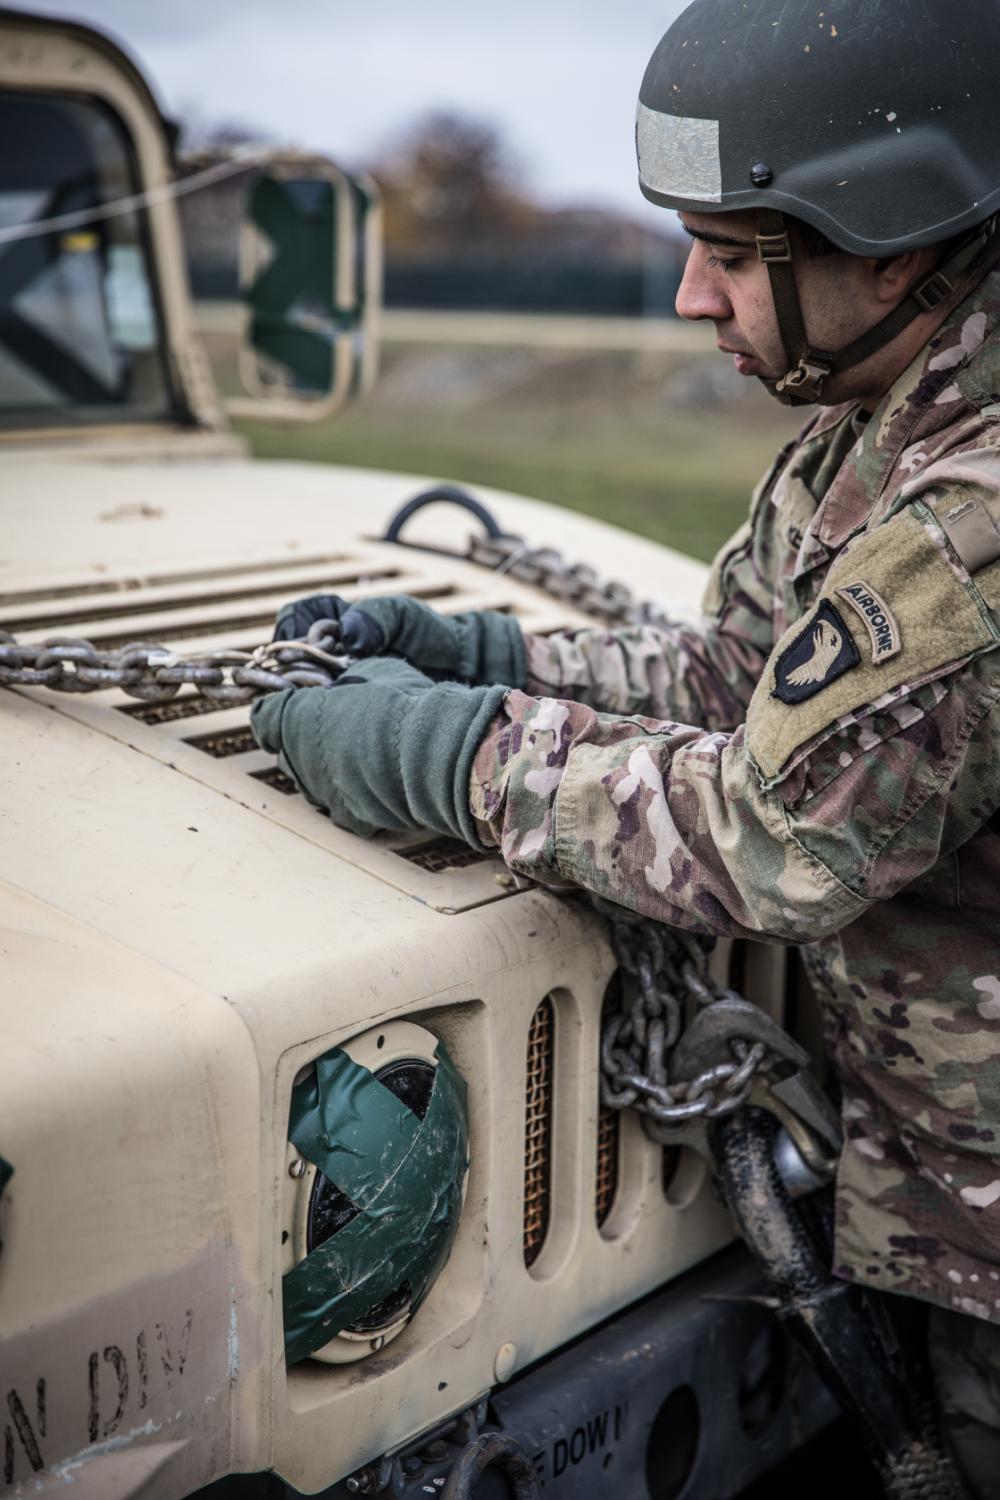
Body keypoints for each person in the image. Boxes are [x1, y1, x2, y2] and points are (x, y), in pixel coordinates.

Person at [253, 0, 1000, 1489]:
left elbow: (773, 835)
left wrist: (451, 758)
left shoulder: (970, 522)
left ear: (894, 247)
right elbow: (741, 673)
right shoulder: (882, 420)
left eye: (732, 255)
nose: (688, 301)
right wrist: (494, 653)